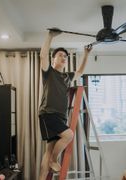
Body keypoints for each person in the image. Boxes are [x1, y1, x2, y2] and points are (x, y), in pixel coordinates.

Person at [38, 29, 92, 180]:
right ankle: (54, 160)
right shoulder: (48, 72)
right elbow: (42, 55)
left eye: (65, 56)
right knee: (68, 135)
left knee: (49, 149)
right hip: (48, 113)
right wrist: (50, 36)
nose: (63, 57)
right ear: (53, 59)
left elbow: (80, 71)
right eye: (60, 55)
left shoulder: (67, 77)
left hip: (59, 117)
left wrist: (86, 54)